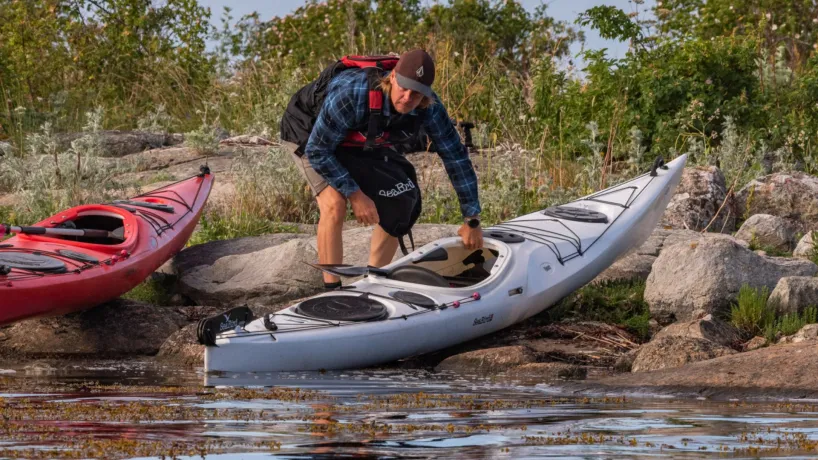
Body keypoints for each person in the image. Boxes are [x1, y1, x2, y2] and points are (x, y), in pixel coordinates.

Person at [280, 49, 482, 290]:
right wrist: (356, 194)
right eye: (404, 88)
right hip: (309, 131)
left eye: (416, 94)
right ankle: (332, 290)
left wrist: (472, 220)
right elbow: (318, 151)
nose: (407, 98)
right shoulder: (353, 94)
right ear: (393, 77)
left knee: (401, 200)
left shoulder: (430, 108)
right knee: (335, 203)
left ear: (426, 95)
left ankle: (372, 283)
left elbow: (456, 156)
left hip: (362, 137)